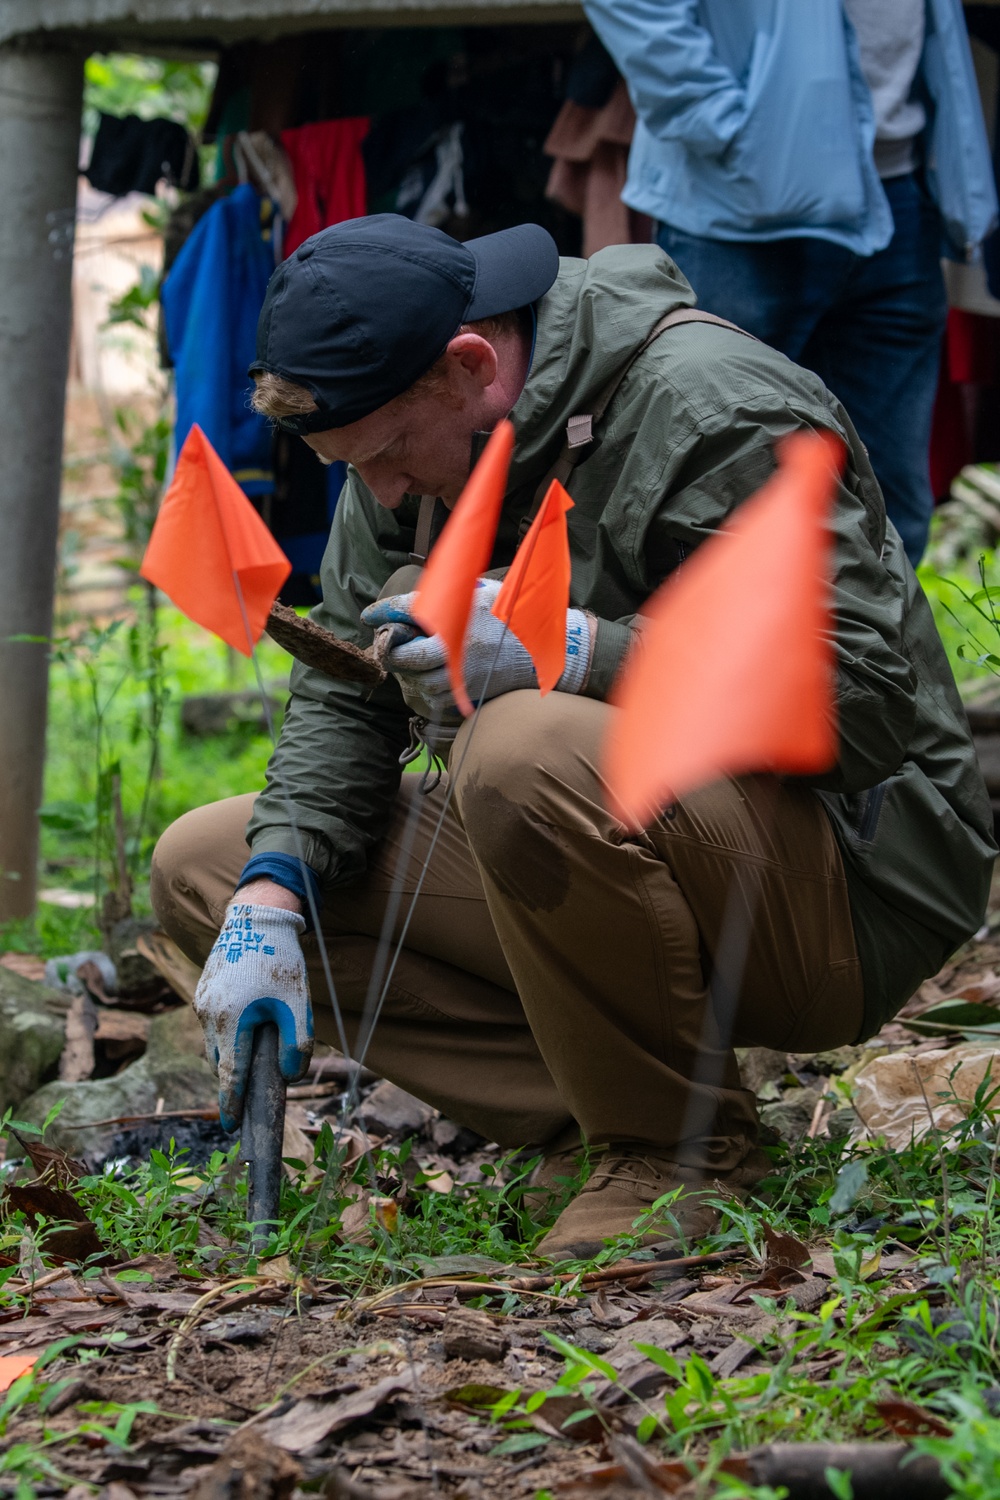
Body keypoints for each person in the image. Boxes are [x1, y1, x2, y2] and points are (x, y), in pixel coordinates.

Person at [150, 214, 994, 1259]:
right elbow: (349, 685)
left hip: (852, 882)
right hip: (616, 832)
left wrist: (587, 651)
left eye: (383, 457)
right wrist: (273, 888)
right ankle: (596, 1117)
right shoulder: (411, 454)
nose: (377, 494)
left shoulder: (710, 404)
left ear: (468, 365)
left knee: (519, 748)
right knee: (206, 867)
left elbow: (865, 704)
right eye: (347, 467)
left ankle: (676, 1153)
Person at [581, 0, 999, 567]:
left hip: (899, 190)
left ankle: (870, 658)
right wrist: (726, 125)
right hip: (741, 206)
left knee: (891, 508)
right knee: (715, 499)